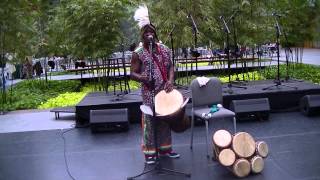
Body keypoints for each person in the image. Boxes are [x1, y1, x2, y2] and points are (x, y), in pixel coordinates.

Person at [130, 23, 180, 165]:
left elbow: (170, 67)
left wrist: (170, 80)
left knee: (164, 119)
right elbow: (132, 73)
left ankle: (165, 149)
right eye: (146, 33)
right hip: (149, 92)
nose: (149, 35)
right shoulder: (138, 52)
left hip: (164, 91)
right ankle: (150, 152)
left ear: (155, 34)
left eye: (151, 32)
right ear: (142, 36)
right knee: (150, 122)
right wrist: (142, 78)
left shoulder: (164, 49)